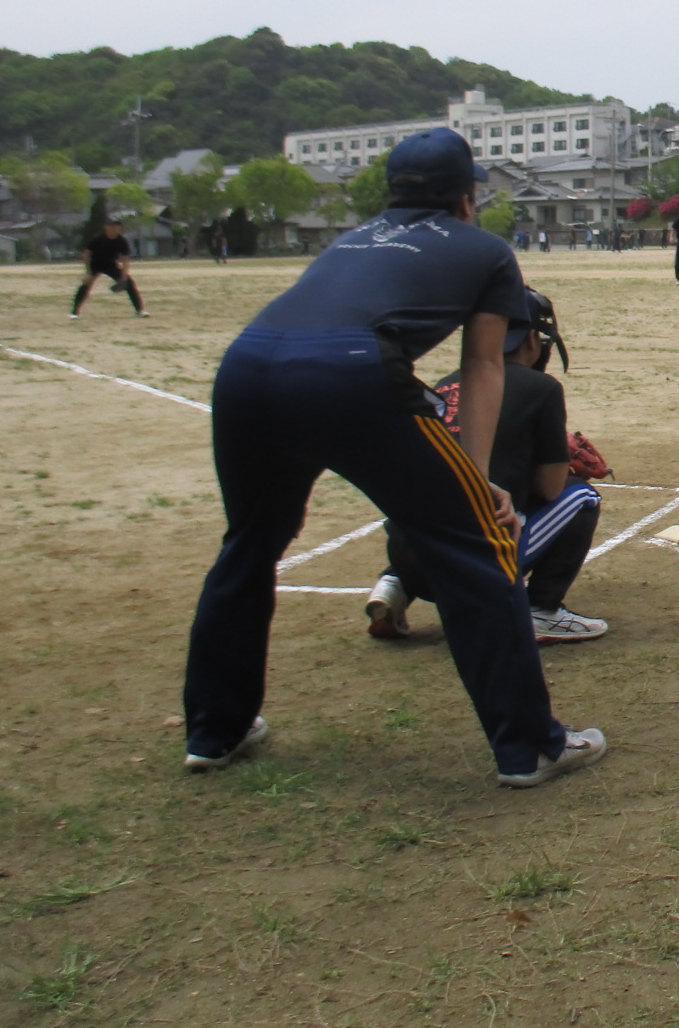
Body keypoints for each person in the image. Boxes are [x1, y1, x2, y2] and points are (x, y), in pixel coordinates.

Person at [181, 128, 603, 789]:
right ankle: (531, 746)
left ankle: (215, 730)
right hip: (352, 376)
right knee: (475, 547)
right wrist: (478, 477)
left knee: (249, 545)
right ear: (467, 196)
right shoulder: (486, 250)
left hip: (245, 369)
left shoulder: (351, 238)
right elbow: (486, 363)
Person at [367, 289, 608, 646]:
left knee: (441, 495)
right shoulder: (541, 387)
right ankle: (541, 609)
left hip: (407, 553)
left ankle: (393, 586)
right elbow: (550, 488)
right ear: (531, 338)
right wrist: (562, 462)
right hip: (471, 564)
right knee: (581, 497)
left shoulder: (447, 381)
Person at [72, 216, 148, 317]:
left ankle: (140, 311)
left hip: (110, 265)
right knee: (86, 285)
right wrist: (88, 272)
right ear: (106, 227)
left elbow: (125, 260)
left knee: (129, 283)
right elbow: (86, 254)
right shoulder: (98, 239)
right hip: (96, 264)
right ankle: (74, 312)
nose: (113, 228)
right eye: (110, 225)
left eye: (116, 225)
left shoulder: (121, 241)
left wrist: (124, 276)